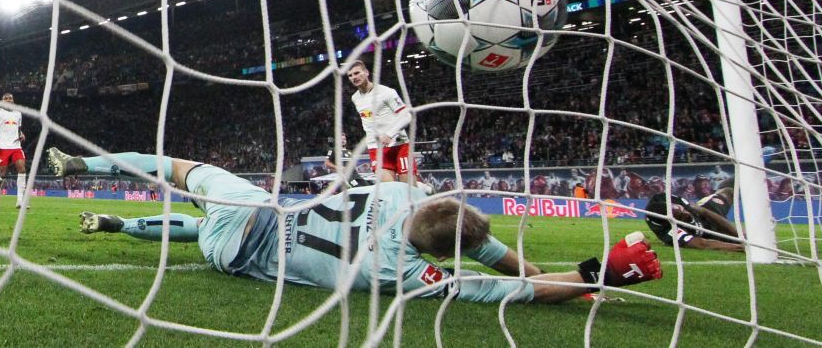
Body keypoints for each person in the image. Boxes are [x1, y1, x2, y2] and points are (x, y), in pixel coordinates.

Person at [48, 146, 663, 303]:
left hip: (255, 208)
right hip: (235, 253)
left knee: (181, 169)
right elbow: (512, 287)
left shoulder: (404, 191)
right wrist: (595, 275)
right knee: (200, 225)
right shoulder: (403, 272)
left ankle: (86, 164)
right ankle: (120, 221)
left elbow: (474, 237)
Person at [346, 60, 415, 185]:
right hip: (376, 148)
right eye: (350, 75)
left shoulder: (386, 92)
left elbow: (406, 116)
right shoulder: (355, 98)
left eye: (357, 73)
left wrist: (389, 134)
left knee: (409, 189)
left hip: (400, 145)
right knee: (389, 189)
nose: (354, 77)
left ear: (366, 72)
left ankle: (423, 188)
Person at [644, 179, 744, 252]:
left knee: (727, 192)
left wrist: (738, 234)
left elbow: (704, 212)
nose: (686, 213)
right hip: (709, 234)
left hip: (706, 215)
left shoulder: (667, 199)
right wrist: (741, 247)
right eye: (682, 217)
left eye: (682, 210)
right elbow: (702, 244)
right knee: (745, 238)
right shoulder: (667, 231)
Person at [0, 93, 27, 209]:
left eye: (10, 98)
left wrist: (21, 134)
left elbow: (18, 129)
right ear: (2, 101)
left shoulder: (18, 113)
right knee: (2, 175)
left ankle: (20, 201)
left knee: (22, 169)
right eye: (6, 98)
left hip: (16, 147)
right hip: (2, 147)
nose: (9, 100)